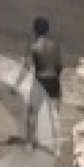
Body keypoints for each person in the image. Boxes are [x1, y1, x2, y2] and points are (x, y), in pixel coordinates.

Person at [27, 17, 63, 151]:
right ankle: (56, 148)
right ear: (47, 30)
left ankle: (30, 144)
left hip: (40, 81)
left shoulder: (33, 47)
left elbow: (26, 68)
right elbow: (59, 66)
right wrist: (56, 79)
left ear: (34, 29)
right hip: (54, 81)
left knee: (33, 113)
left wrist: (17, 85)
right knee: (54, 115)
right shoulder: (55, 46)